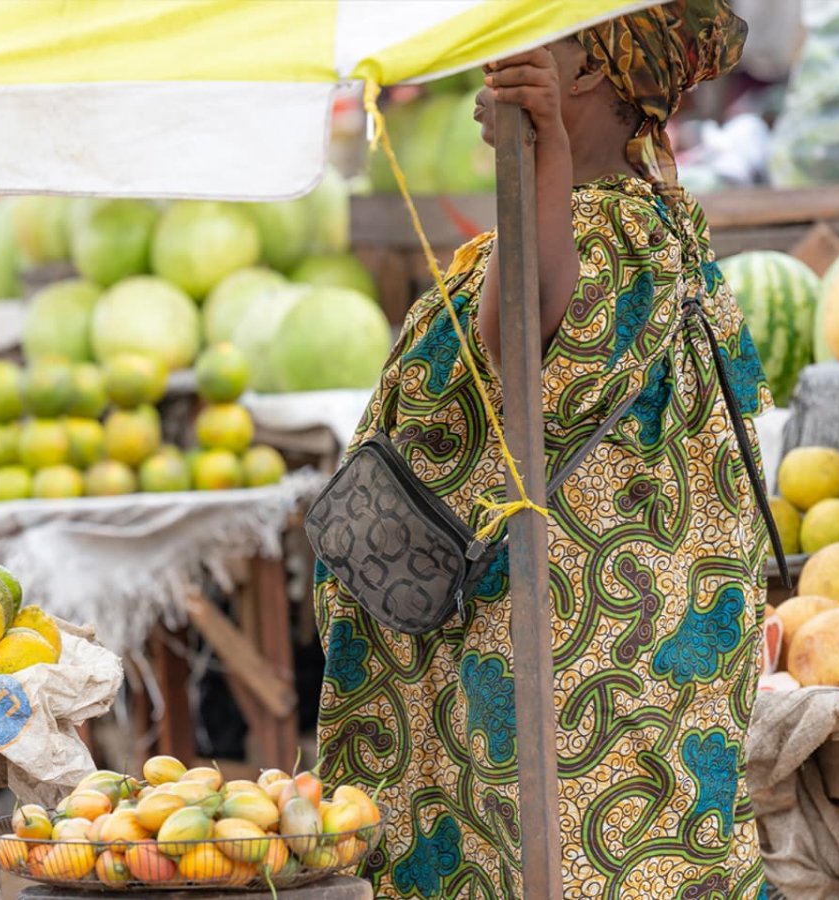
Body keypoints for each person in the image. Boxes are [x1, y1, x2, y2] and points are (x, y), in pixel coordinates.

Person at [315, 2, 772, 896]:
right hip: (612, 655)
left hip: (576, 660)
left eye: (538, 37)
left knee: (562, 857)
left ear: (592, 65)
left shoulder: (605, 229)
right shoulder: (658, 222)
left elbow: (519, 342)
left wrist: (544, 159)